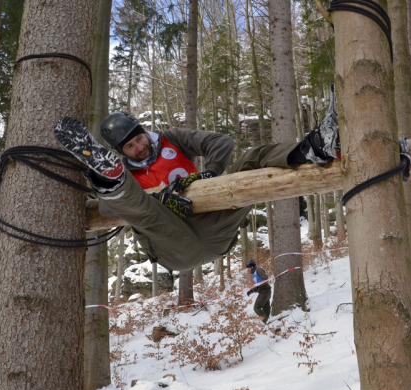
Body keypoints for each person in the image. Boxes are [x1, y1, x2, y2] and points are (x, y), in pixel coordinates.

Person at [53, 89, 338, 272]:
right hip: (176, 246)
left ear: (144, 132)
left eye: (139, 138)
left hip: (216, 227)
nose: (139, 147)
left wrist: (210, 174)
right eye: (130, 147)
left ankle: (316, 147)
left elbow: (221, 143)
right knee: (143, 210)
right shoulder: (131, 174)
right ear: (121, 153)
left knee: (253, 157)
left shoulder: (170, 139)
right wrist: (158, 197)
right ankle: (108, 179)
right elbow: (107, 211)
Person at [245, 259, 272, 323]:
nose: (248, 269)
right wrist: (251, 291)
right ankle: (269, 324)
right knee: (266, 310)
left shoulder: (258, 270)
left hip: (265, 291)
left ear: (251, 266)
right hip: (264, 291)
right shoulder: (254, 274)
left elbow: (265, 279)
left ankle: (266, 321)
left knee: (256, 307)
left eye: (248, 268)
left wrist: (260, 287)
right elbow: (258, 285)